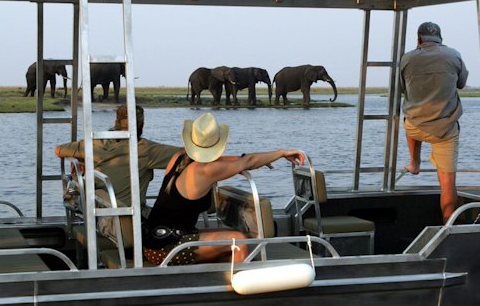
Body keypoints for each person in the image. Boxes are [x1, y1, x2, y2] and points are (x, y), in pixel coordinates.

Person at [142, 112, 304, 265]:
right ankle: (236, 288)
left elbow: (237, 160)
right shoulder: (205, 170)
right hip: (166, 249)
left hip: (154, 241)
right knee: (239, 241)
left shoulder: (179, 157)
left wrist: (255, 160)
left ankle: (219, 278)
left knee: (244, 238)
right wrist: (282, 153)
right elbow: (248, 161)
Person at [400, 21, 469, 223]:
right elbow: (462, 84)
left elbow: (402, 88)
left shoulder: (407, 58)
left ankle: (414, 162)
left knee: (410, 119)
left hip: (415, 126)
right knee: (447, 183)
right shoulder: (454, 55)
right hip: (445, 129)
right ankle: (448, 226)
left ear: (419, 39)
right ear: (440, 38)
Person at [55, 105, 181, 208]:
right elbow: (187, 155)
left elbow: (59, 150)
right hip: (128, 217)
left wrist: (80, 159)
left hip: (99, 213)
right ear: (141, 125)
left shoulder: (95, 143)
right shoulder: (145, 149)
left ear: (116, 121)